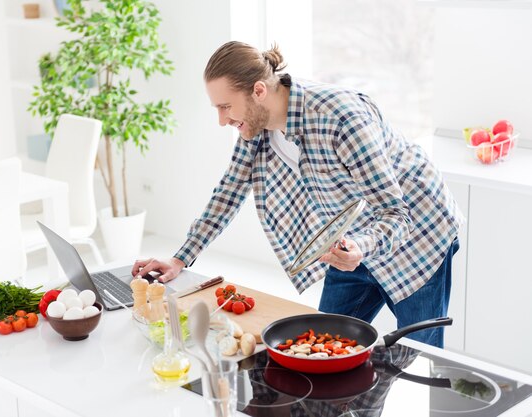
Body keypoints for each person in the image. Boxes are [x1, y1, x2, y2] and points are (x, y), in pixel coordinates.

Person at [132, 41, 463, 348]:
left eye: (225, 107)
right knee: (322, 346)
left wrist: (361, 246)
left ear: (258, 91)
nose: (222, 120)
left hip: (417, 232)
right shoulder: (255, 128)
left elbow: (394, 212)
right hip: (350, 242)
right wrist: (179, 258)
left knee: (418, 357)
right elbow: (228, 194)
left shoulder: (340, 117)